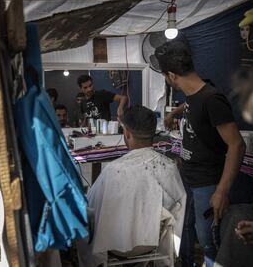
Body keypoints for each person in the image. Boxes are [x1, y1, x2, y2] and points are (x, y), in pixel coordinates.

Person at [155, 41, 246, 267]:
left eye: (165, 76)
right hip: (189, 178)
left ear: (172, 76)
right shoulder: (192, 94)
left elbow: (237, 145)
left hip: (208, 183)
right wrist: (173, 114)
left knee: (209, 242)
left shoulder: (212, 99)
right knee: (186, 229)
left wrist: (222, 191)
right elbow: (189, 107)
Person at [77, 105, 186, 267]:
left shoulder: (113, 170)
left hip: (114, 246)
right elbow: (179, 208)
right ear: (153, 132)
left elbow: (91, 209)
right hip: (151, 244)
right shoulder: (168, 167)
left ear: (126, 133)